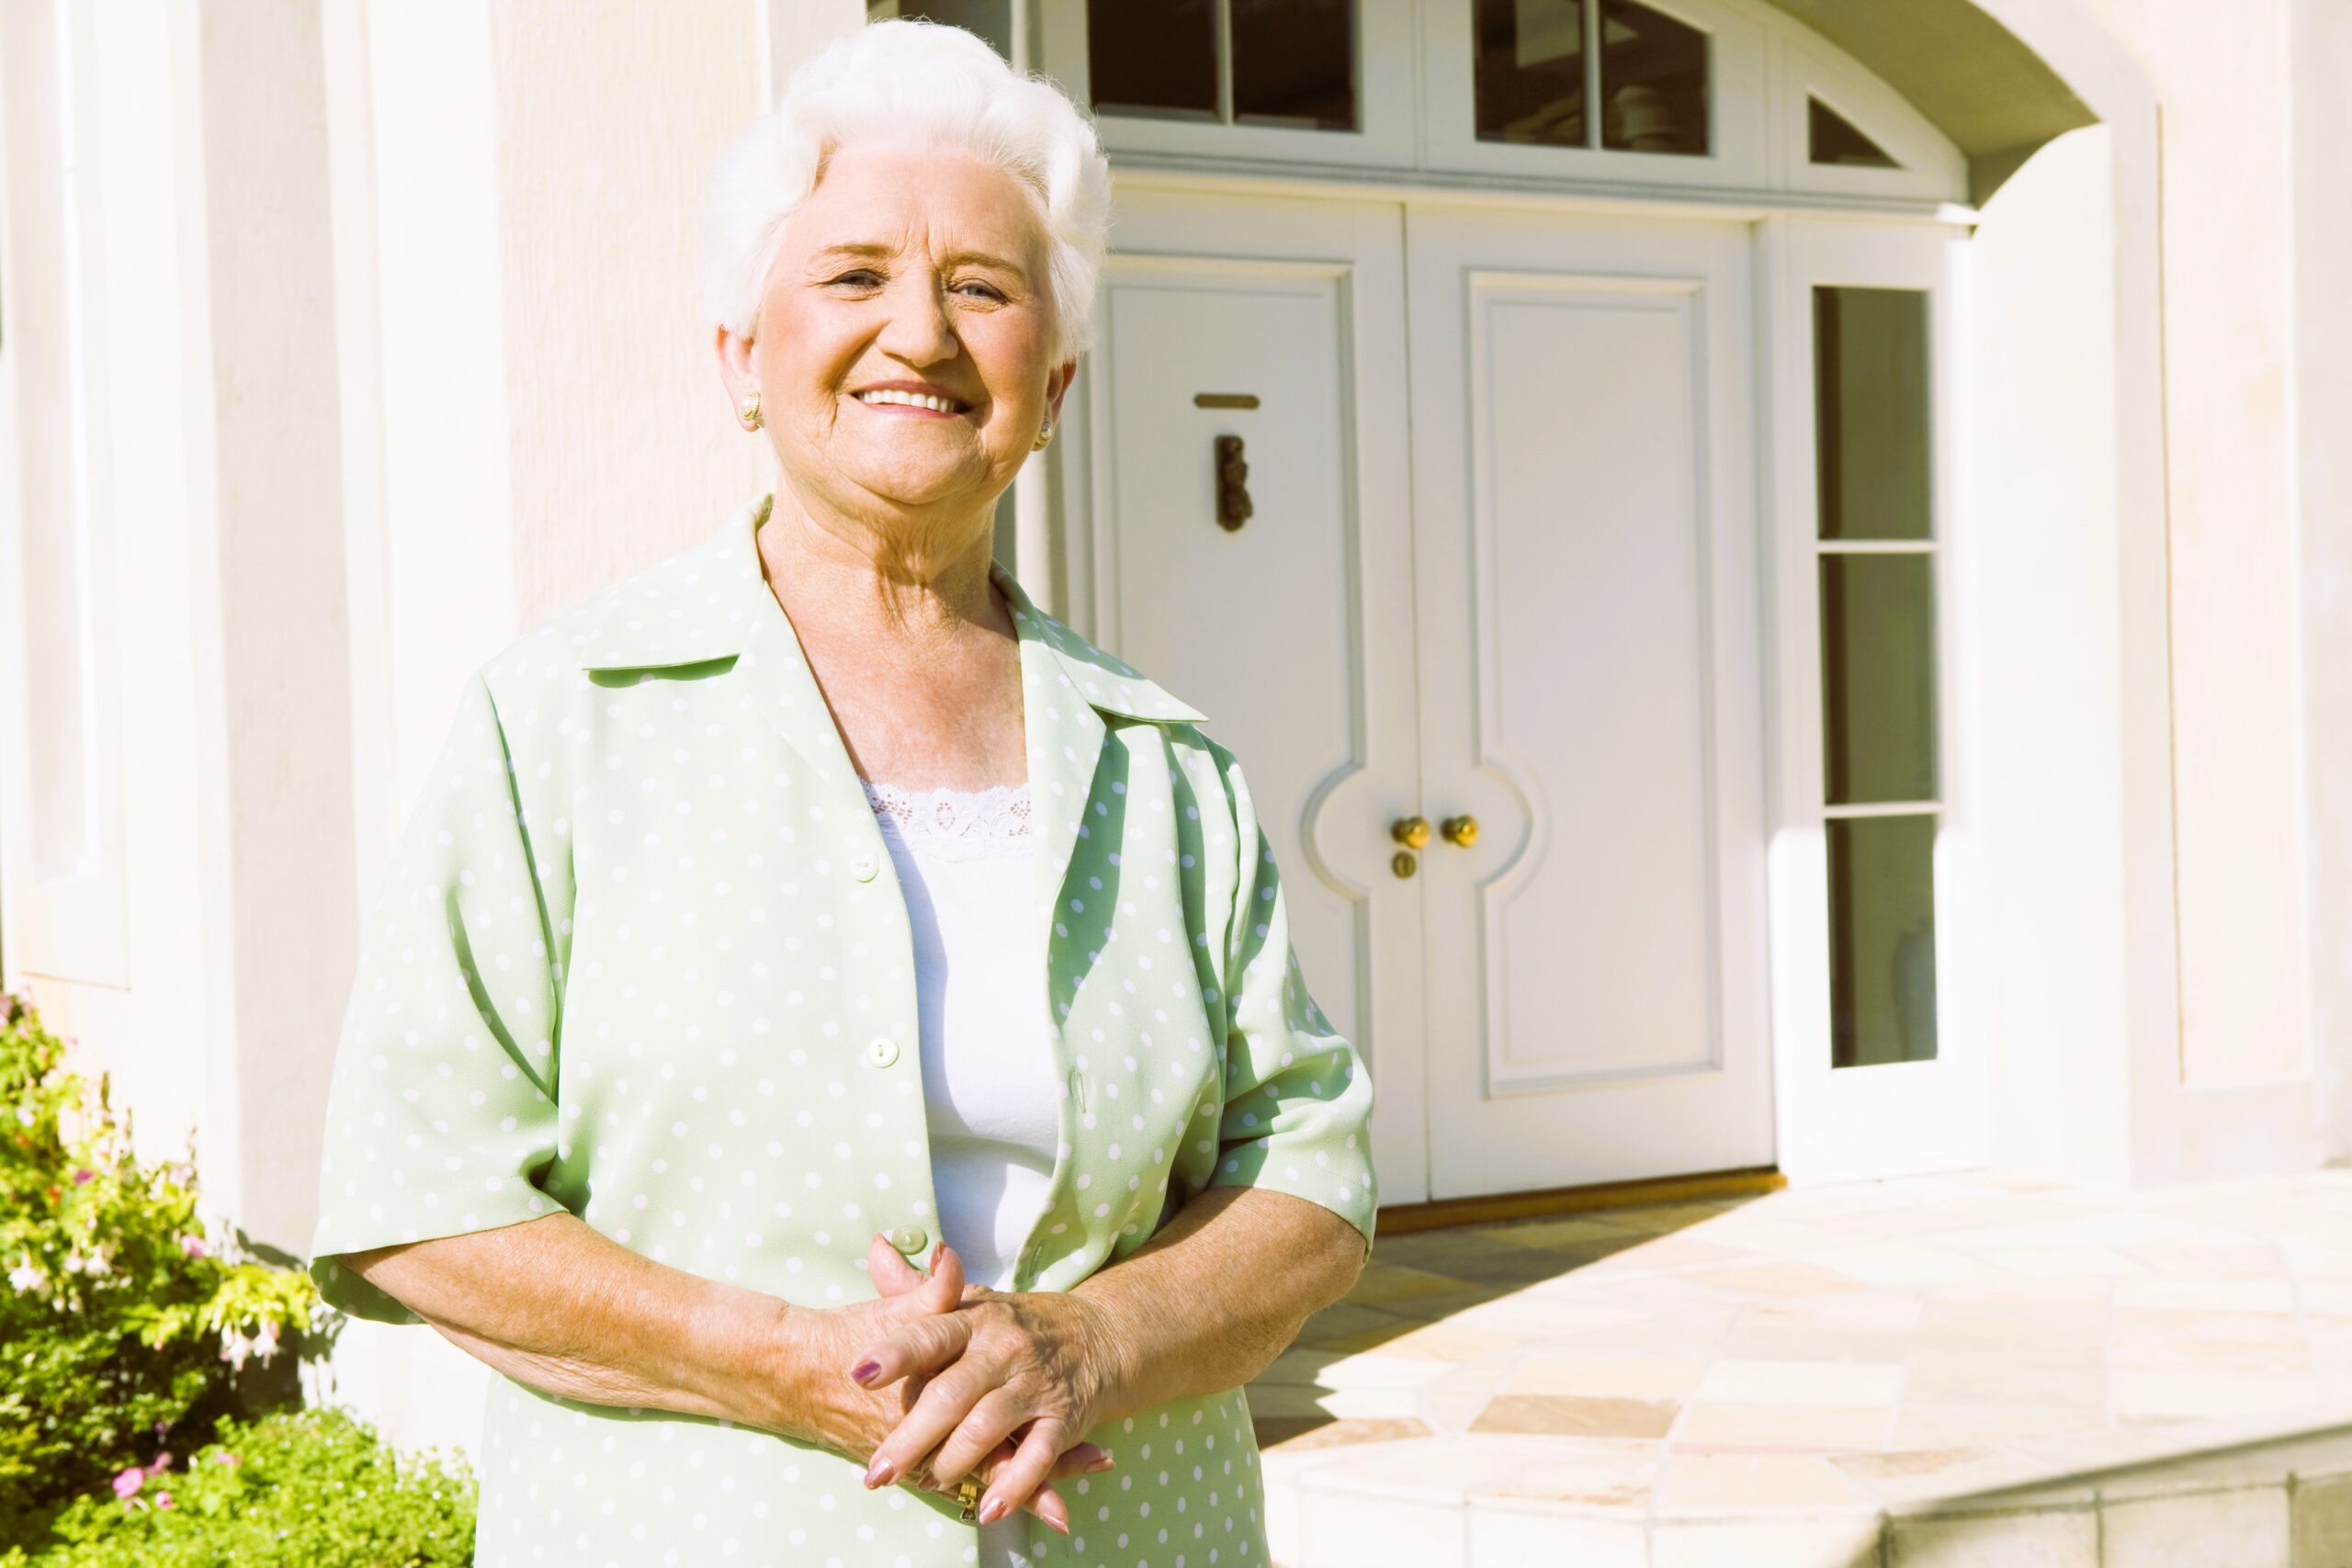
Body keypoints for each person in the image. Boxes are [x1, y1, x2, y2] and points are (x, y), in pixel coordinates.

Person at [302, 17, 1378, 1567]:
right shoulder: (563, 723)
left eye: (984, 288)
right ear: (743, 355)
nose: (922, 335)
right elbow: (418, 1195)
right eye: (856, 275)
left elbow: (1311, 1177)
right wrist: (792, 1367)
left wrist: (1090, 1342)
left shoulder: (1166, 763)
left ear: (1054, 385)